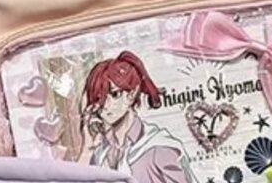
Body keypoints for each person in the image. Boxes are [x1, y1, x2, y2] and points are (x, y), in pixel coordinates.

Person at [77, 51, 192, 183]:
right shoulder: (100, 154)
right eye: (99, 98)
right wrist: (87, 149)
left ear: (132, 93)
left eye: (114, 94)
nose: (106, 105)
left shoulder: (158, 149)